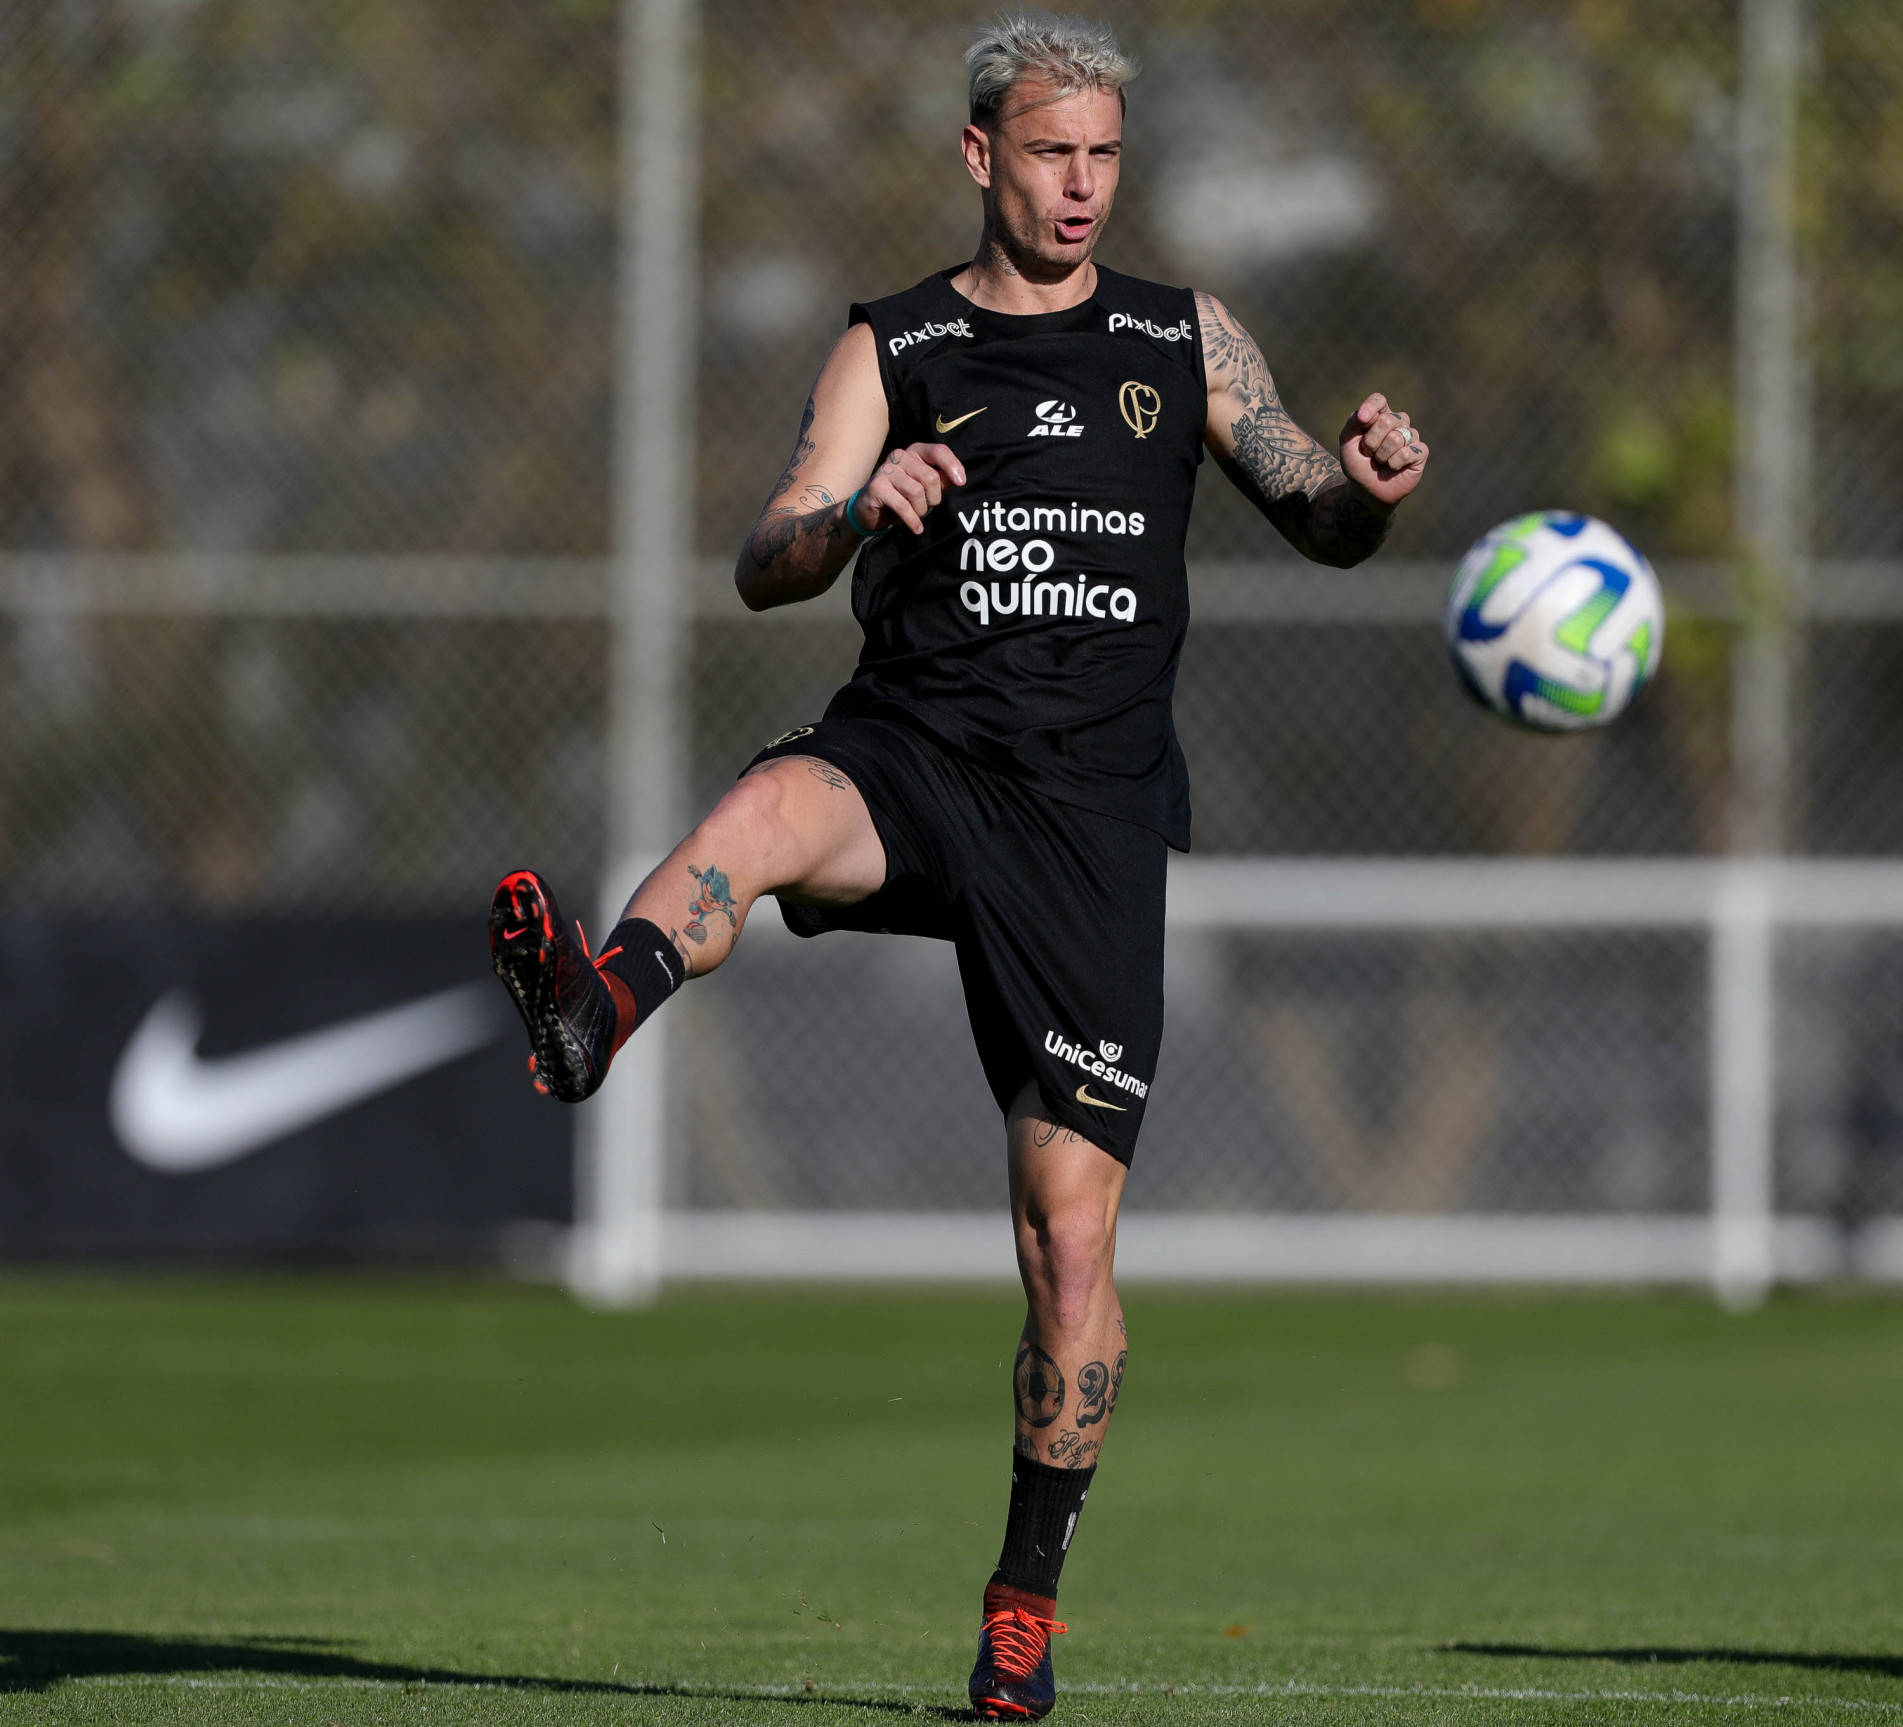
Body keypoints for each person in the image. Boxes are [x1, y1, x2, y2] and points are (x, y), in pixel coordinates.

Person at [490, 9, 1427, 1718]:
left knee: (1069, 1248)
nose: (1084, 189)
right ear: (983, 154)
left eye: (1108, 158)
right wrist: (861, 512)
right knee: (762, 822)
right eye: (1054, 155)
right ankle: (588, 1014)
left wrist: (1366, 485)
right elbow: (769, 553)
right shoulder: (895, 342)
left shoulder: (1183, 335)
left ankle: (1022, 1604)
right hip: (916, 754)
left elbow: (1314, 508)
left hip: (1089, 821)